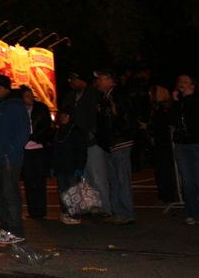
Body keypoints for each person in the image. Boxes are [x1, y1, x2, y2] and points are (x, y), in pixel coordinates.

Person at [0, 75, 31, 244]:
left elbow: (23, 132)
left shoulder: (15, 106)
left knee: (10, 195)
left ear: (6, 88)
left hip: (8, 159)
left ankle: (16, 230)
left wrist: (9, 151)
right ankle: (7, 227)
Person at [62, 69, 107, 216]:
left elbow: (98, 117)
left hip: (91, 141)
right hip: (75, 143)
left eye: (74, 79)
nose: (71, 83)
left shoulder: (94, 95)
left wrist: (92, 133)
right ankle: (89, 205)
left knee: (96, 174)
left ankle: (104, 206)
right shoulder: (70, 96)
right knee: (82, 176)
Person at [170, 74, 199, 225]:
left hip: (198, 144)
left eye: (185, 81)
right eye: (179, 81)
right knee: (187, 180)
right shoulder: (178, 101)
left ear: (192, 86)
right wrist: (176, 102)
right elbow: (172, 119)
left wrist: (188, 98)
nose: (181, 83)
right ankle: (191, 213)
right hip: (182, 144)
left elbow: (197, 118)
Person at [94, 68, 136, 225]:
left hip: (119, 143)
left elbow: (126, 119)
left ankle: (126, 213)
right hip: (111, 143)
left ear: (110, 80)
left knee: (121, 179)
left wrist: (114, 136)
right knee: (115, 179)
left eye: (101, 78)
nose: (98, 81)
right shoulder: (106, 97)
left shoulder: (118, 95)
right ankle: (118, 212)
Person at [50, 107, 88, 224]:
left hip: (72, 167)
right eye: (61, 116)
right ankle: (66, 212)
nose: (63, 118)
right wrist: (52, 167)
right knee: (63, 191)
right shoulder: (58, 133)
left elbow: (81, 150)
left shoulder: (77, 132)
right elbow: (53, 151)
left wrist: (80, 167)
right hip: (61, 167)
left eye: (66, 115)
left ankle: (75, 215)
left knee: (73, 191)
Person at [20, 86, 51, 219]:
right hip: (25, 149)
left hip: (38, 147)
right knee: (28, 180)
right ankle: (33, 210)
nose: (30, 98)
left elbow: (46, 125)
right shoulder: (19, 109)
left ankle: (41, 210)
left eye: (31, 95)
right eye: (27, 96)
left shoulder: (41, 108)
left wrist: (35, 136)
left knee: (39, 180)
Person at [146, 85, 175, 206]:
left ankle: (167, 195)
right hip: (158, 142)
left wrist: (150, 129)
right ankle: (163, 194)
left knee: (164, 169)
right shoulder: (155, 109)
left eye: (153, 93)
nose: (150, 95)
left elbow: (162, 126)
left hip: (162, 142)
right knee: (160, 170)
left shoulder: (163, 109)